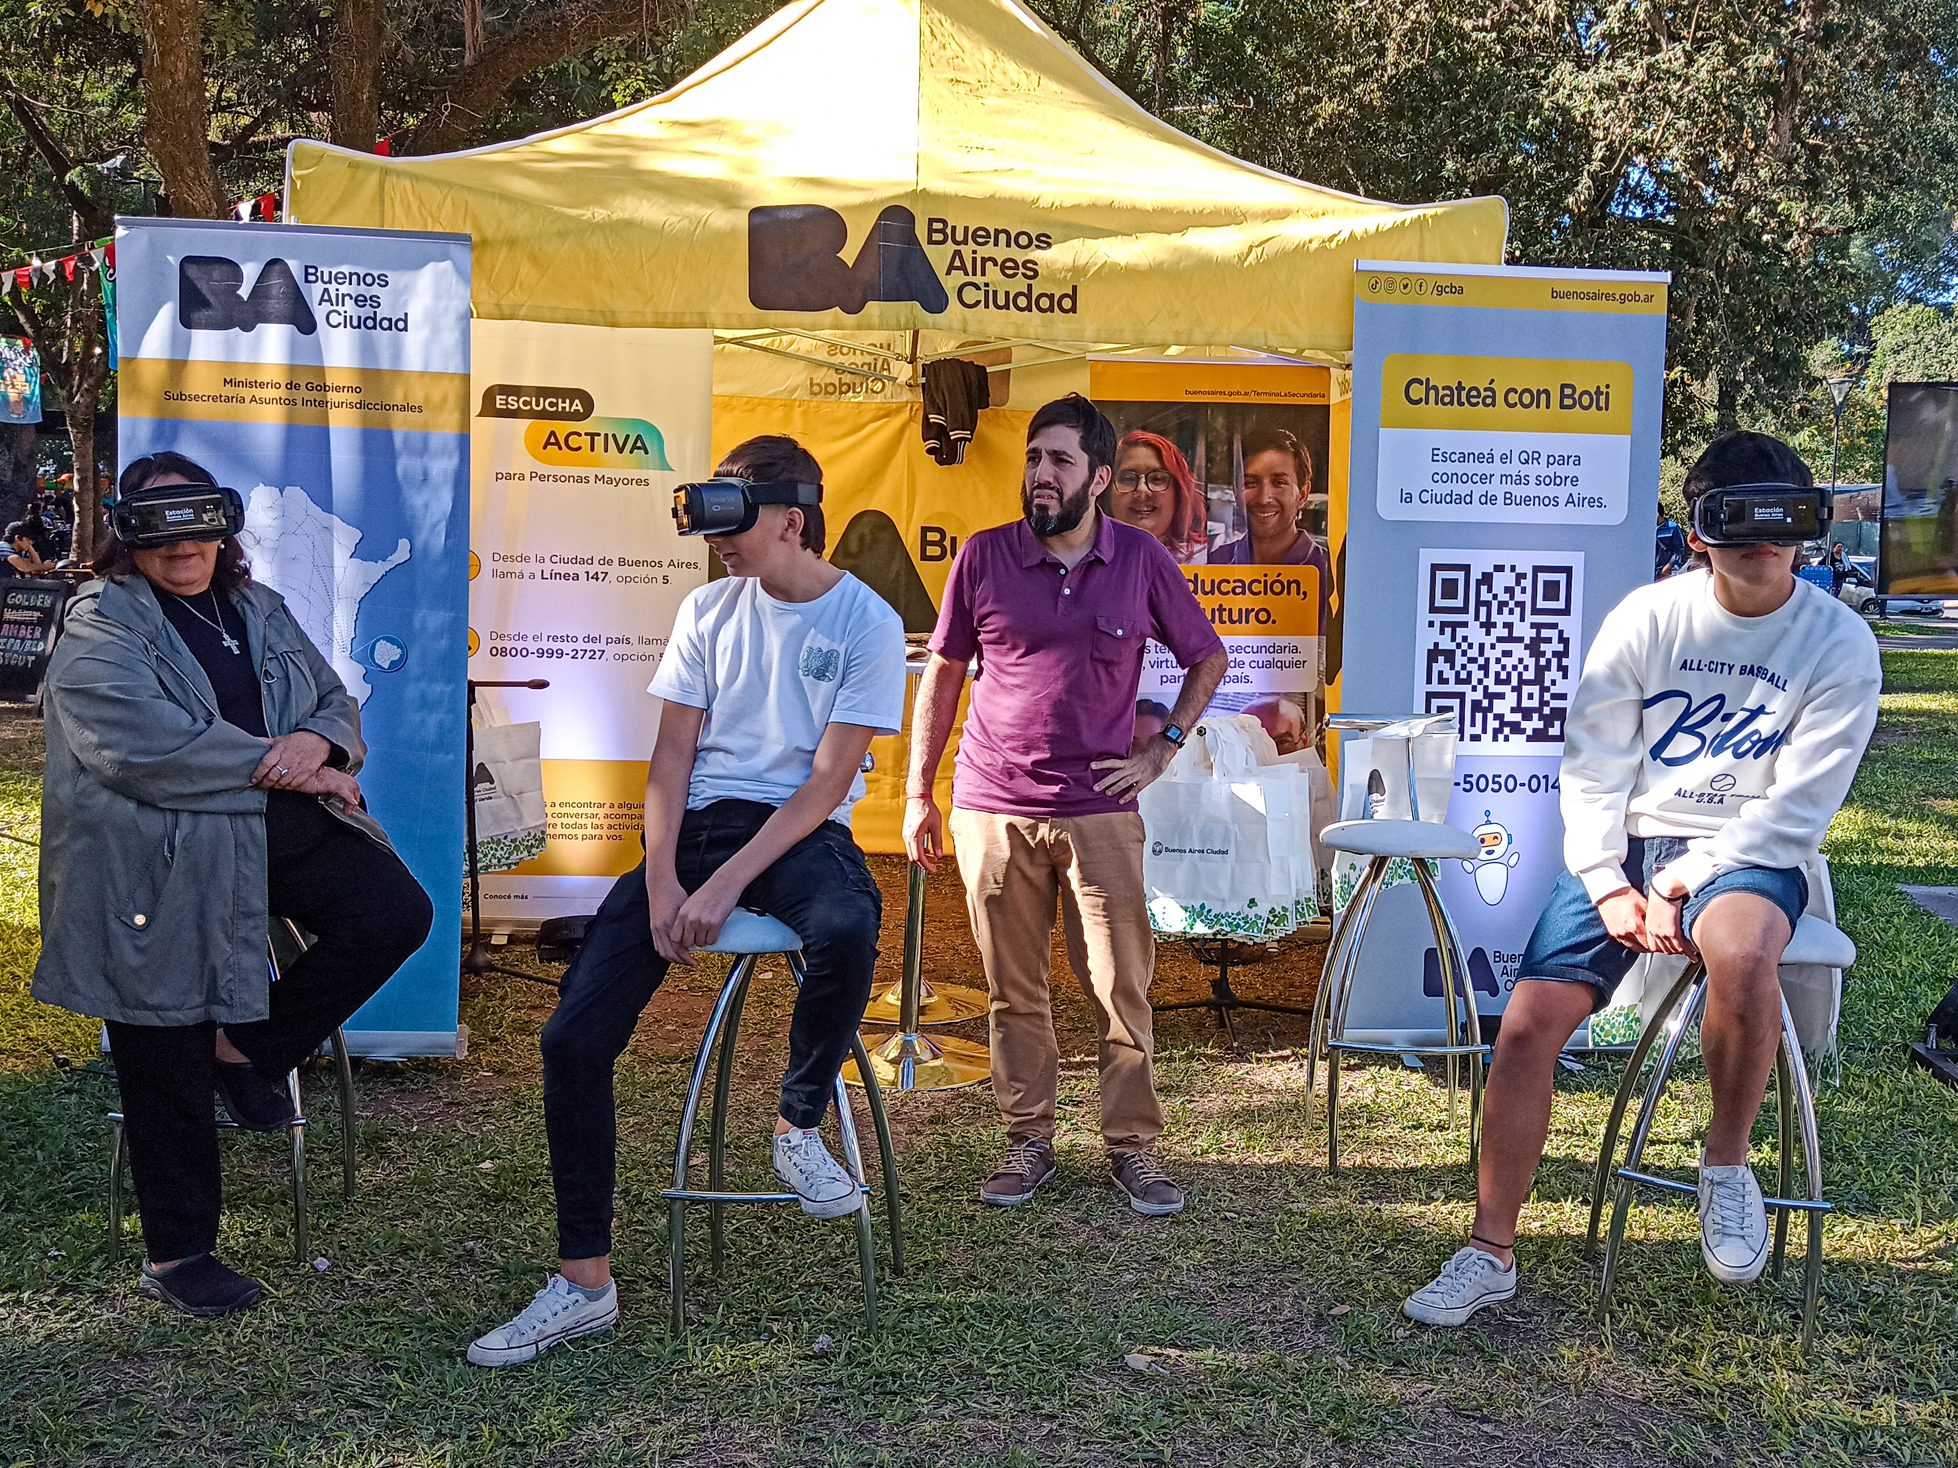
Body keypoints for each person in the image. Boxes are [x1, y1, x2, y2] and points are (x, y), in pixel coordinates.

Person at [1402, 432, 1882, 1327]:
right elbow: (1591, 763)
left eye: (1782, 520)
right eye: (1735, 518)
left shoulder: (1839, 641)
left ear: (1809, 527)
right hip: (1626, 841)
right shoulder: (1647, 618)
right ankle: (1489, 1248)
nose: (1760, 540)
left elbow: (1798, 808)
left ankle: (1726, 1165)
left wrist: (1685, 879)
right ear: (1699, 530)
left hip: (1749, 851)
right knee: (1525, 1026)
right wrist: (1606, 878)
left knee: (1740, 955)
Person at [469, 435, 904, 1368]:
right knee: (570, 1039)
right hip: (695, 828)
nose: (720, 545)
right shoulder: (706, 608)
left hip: (795, 830)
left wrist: (725, 885)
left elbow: (825, 787)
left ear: (793, 521)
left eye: (736, 524)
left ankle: (796, 1123)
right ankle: (585, 1282)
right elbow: (670, 759)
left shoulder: (864, 621)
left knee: (847, 922)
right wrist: (664, 879)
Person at [34, 451, 434, 1318]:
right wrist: (285, 765)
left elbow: (331, 697)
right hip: (154, 849)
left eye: (197, 519)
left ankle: (249, 1047)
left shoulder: (256, 606)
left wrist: (321, 747)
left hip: (260, 822)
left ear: (222, 526)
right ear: (127, 536)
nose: (183, 542)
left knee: (392, 911)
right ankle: (179, 1257)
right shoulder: (99, 623)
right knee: (161, 1033)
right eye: (158, 522)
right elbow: (139, 748)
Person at [905, 394, 1229, 1216]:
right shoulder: (983, 557)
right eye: (1033, 459)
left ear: (1098, 477)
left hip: (1100, 808)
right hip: (991, 804)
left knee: (1121, 985)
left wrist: (1164, 750)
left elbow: (1207, 656)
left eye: (1059, 462)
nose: (1040, 475)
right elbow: (943, 676)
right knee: (1014, 992)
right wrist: (919, 793)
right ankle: (1028, 1141)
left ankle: (1133, 1150)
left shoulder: (1140, 562)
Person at [1211, 427, 1333, 631]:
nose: (1263, 498)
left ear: (1302, 494)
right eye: (1250, 483)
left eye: (1279, 482)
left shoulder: (1328, 572)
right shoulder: (1215, 563)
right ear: (1235, 491)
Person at [1109, 430, 1207, 563]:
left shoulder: (1206, 561)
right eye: (1128, 479)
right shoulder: (1082, 556)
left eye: (1157, 479)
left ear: (1178, 493)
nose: (1142, 490)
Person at [1655, 504, 1690, 579]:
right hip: (1652, 571)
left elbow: (1680, 550)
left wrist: (1667, 568)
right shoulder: (1646, 529)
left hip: (1668, 572)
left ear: (1657, 514)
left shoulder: (1672, 527)